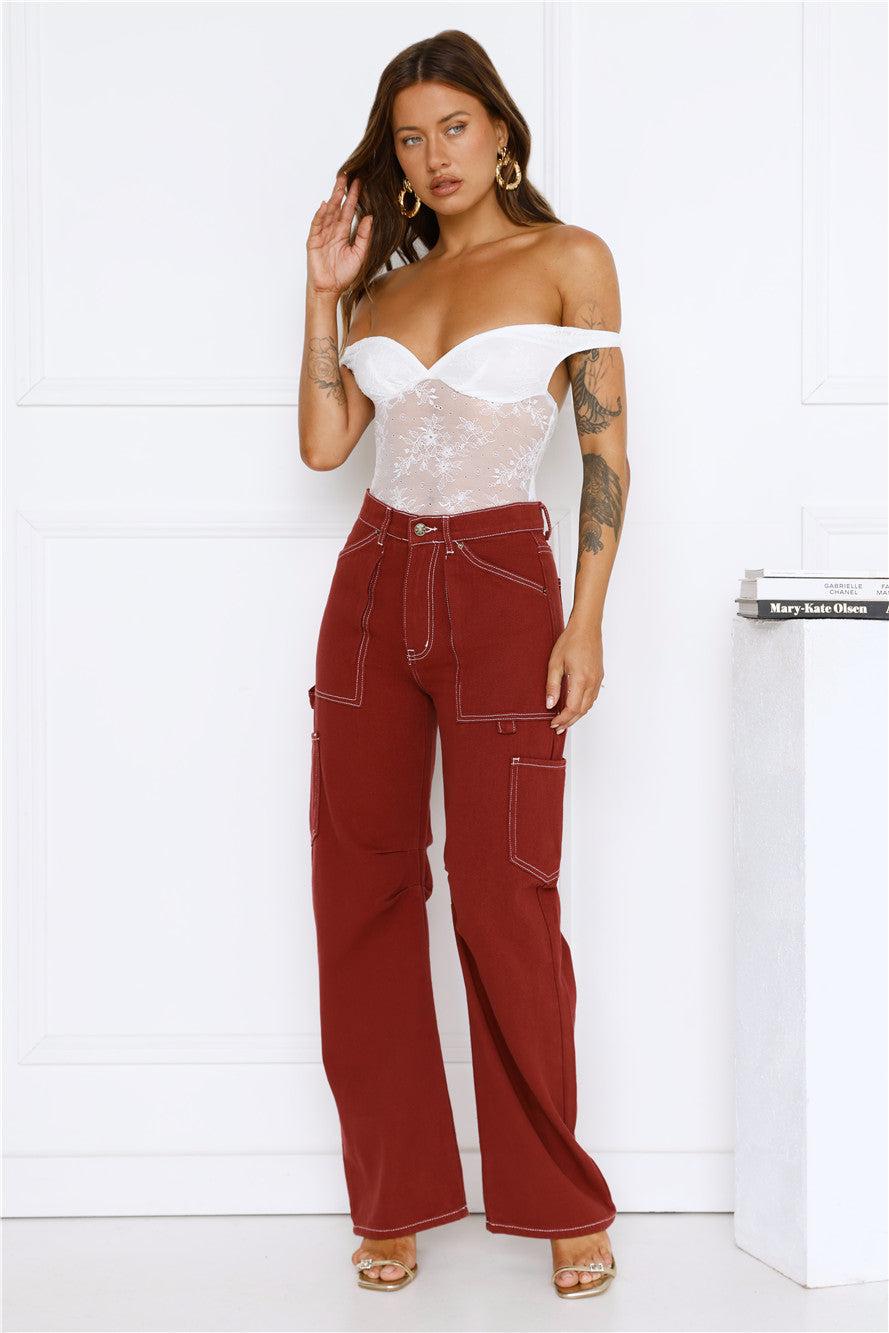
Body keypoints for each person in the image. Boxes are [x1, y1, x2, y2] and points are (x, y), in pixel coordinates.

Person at [298, 29, 627, 1300]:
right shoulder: (382, 289)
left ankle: (560, 1200)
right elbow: (327, 445)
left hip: (500, 586)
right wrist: (322, 293)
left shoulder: (568, 259)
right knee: (362, 889)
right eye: (408, 139)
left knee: (506, 894)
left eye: (452, 127)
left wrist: (584, 621)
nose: (433, 156)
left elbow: (604, 455)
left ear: (499, 132)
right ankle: (391, 1199)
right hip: (373, 586)